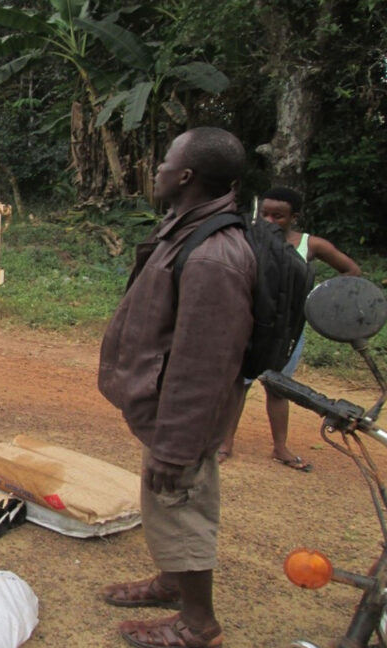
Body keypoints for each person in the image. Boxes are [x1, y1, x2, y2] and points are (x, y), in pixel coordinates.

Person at [97, 127, 255, 648]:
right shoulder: (189, 228)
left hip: (180, 416)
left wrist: (176, 444)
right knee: (166, 500)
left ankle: (197, 622)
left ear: (185, 176)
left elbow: (204, 365)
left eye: (165, 160)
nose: (158, 168)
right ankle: (170, 583)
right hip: (164, 409)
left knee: (182, 499)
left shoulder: (212, 255)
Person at [218, 187, 361, 471]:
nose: (270, 221)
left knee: (277, 385)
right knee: (238, 383)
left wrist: (318, 299)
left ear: (294, 217)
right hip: (251, 324)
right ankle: (224, 443)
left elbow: (351, 271)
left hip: (286, 331)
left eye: (279, 216)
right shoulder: (250, 239)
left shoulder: (310, 245)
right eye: (265, 214)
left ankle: (280, 447)